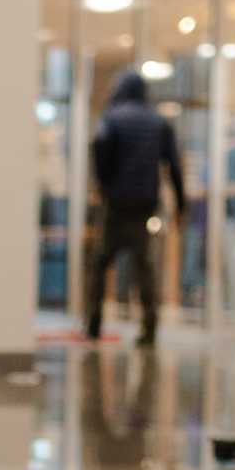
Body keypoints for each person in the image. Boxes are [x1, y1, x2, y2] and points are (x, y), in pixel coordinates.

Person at [87, 69, 187, 346]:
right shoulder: (158, 123)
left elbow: (99, 147)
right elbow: (174, 167)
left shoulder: (112, 118)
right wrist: (180, 204)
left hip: (116, 203)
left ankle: (93, 322)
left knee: (101, 261)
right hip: (145, 203)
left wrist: (104, 184)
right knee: (144, 265)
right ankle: (149, 327)